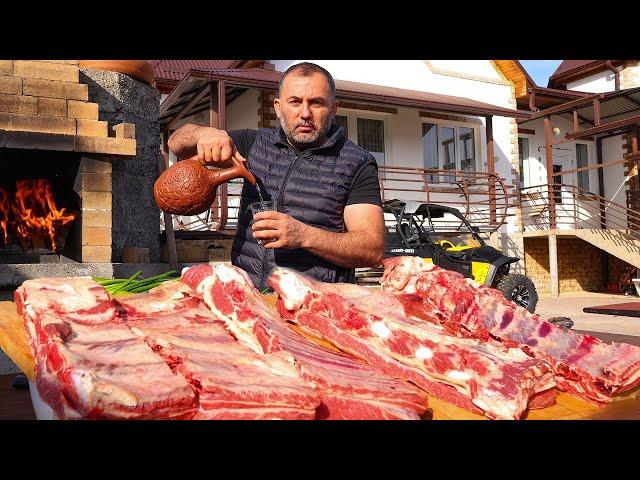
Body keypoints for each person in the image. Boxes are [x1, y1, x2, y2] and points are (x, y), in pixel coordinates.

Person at [168, 62, 385, 290]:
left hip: (316, 305)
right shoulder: (254, 144)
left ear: (334, 108)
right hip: (248, 298)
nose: (305, 113)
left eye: (316, 103)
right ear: (278, 107)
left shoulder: (356, 162)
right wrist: (206, 133)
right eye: (295, 101)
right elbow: (176, 143)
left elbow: (372, 249)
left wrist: (303, 235)